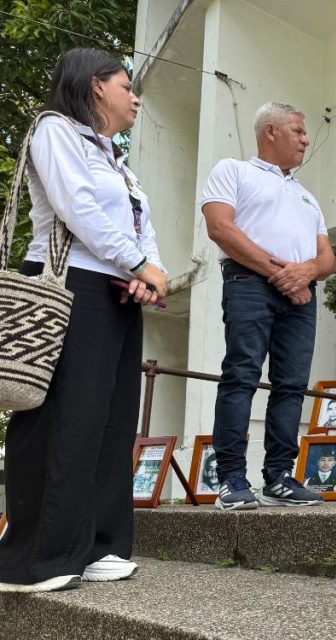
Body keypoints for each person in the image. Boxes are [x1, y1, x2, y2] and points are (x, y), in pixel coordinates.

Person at [0, 48, 168, 593]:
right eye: (126, 84)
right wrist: (137, 262)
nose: (134, 96)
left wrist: (150, 269)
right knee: (61, 420)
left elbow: (139, 221)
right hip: (68, 282)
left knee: (112, 421)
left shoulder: (116, 156)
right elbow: (78, 209)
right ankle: (32, 559)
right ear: (96, 86)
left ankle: (99, 544)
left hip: (118, 289)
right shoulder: (56, 130)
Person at [202, 101, 336, 510]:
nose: (305, 139)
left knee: (292, 385)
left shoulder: (307, 196)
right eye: (297, 130)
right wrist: (283, 275)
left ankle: (279, 476)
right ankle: (231, 479)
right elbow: (220, 228)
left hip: (301, 295)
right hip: (248, 284)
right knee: (241, 374)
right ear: (271, 132)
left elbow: (327, 258)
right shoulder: (233, 171)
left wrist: (306, 273)